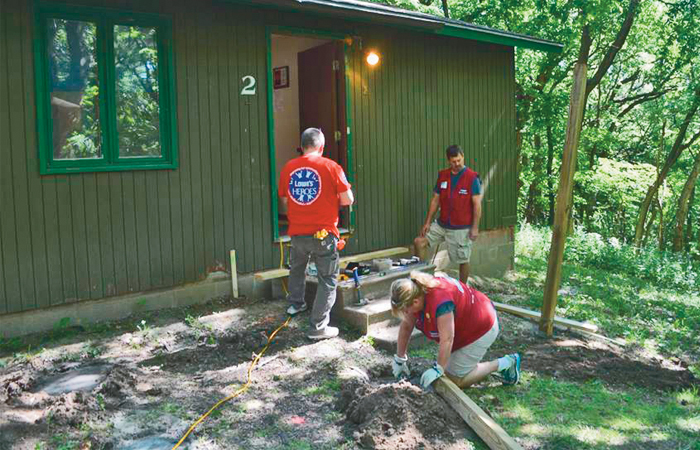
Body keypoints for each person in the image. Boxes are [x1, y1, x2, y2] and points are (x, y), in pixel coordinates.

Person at [278, 128, 354, 340]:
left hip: (297, 232)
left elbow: (283, 203)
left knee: (297, 268)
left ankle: (295, 304)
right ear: (322, 146)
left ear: (302, 146)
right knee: (328, 279)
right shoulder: (332, 166)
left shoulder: (288, 168)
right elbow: (347, 200)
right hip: (323, 234)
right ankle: (318, 327)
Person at [389, 271, 520, 389]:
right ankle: (468, 365)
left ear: (415, 302)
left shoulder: (440, 303)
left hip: (481, 327)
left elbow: (447, 339)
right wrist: (400, 359)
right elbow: (406, 326)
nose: (406, 314)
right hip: (465, 325)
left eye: (406, 310)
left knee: (455, 380)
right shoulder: (416, 293)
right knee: (449, 369)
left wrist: (438, 369)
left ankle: (506, 363)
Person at [414, 145, 482, 284]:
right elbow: (435, 200)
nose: (457, 164)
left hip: (461, 227)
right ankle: (421, 282)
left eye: (459, 160)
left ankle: (463, 289)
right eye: (453, 161)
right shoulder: (443, 175)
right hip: (442, 223)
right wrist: (427, 222)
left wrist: (475, 227)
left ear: (463, 156)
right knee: (419, 242)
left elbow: (477, 204)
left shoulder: (471, 177)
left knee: (463, 260)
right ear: (448, 161)